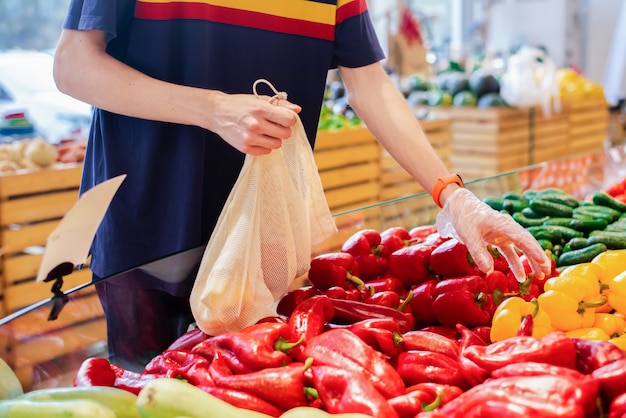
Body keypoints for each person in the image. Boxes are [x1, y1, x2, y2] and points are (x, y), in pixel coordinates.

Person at [53, 0, 551, 370]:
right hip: (147, 234)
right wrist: (214, 109)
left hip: (266, 237)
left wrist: (452, 194)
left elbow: (369, 84)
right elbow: (74, 64)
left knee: (251, 392)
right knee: (151, 391)